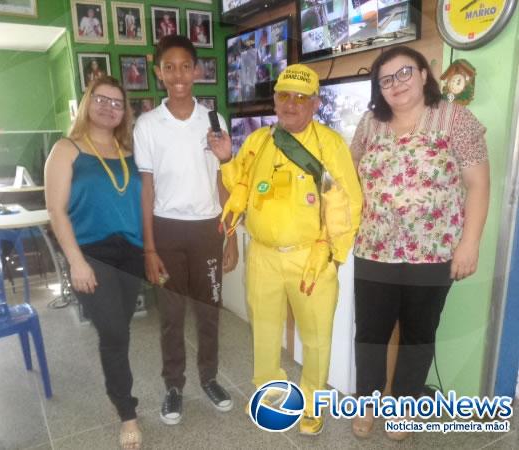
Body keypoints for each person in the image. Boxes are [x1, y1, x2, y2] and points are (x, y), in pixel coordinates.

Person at [208, 64, 363, 435]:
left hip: (311, 256)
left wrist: (331, 254)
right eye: (284, 96)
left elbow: (349, 204)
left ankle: (312, 402)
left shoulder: (331, 144)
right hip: (261, 254)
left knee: (316, 336)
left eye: (301, 98)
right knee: (263, 330)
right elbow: (241, 186)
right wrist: (228, 159)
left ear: (315, 103)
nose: (291, 104)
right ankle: (268, 391)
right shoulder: (260, 141)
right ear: (274, 100)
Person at [349, 46, 489, 440]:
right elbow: (350, 172)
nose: (397, 84)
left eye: (405, 72)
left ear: (425, 74)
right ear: (379, 88)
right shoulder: (369, 124)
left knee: (418, 333)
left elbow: (478, 184)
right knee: (371, 332)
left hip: (434, 252)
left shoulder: (454, 118)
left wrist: (470, 244)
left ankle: (405, 407)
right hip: (374, 249)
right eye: (386, 79)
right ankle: (367, 402)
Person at [134, 35, 238, 425]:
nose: (178, 75)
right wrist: (149, 247)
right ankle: (174, 386)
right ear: (159, 73)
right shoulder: (147, 125)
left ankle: (209, 378)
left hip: (207, 231)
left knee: (209, 313)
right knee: (171, 316)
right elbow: (147, 189)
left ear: (197, 71)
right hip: (167, 230)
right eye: (169, 67)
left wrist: (231, 235)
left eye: (185, 66)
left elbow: (223, 181)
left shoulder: (213, 121)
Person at [44, 76, 143, 450]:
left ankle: (121, 394)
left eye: (117, 103)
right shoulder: (67, 149)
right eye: (101, 99)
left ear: (124, 112)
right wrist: (76, 262)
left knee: (122, 330)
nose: (108, 107)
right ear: (88, 102)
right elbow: (56, 210)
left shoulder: (129, 151)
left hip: (131, 252)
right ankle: (127, 412)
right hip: (91, 254)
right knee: (114, 334)